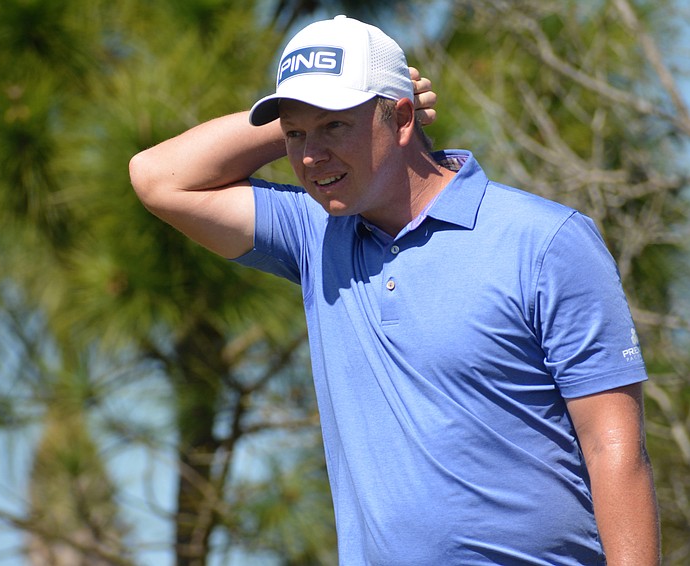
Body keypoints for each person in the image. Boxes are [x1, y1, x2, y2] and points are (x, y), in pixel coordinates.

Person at [129, 15, 660, 565]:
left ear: (403, 118)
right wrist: (296, 112)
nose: (311, 157)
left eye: (335, 126)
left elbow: (614, 451)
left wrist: (360, 100)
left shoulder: (545, 240)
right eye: (296, 135)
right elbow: (159, 177)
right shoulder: (315, 234)